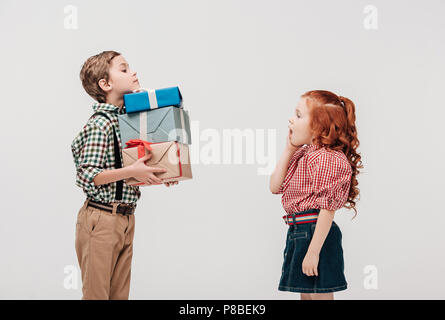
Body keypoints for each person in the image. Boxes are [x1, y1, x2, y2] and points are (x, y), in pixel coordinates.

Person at [71, 50, 177, 299]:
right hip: (101, 218)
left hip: (126, 218)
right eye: (124, 69)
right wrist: (131, 170)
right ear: (105, 84)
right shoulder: (101, 124)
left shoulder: (127, 123)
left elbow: (126, 173)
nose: (133, 72)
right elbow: (88, 175)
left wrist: (158, 174)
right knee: (97, 294)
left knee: (120, 295)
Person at [270, 90, 363, 300]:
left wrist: (313, 251)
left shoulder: (326, 158)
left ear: (318, 127)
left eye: (299, 115)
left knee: (319, 294)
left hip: (315, 232)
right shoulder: (303, 154)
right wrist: (288, 150)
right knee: (306, 295)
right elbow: (275, 186)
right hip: (298, 231)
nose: (291, 119)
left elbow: (327, 209)